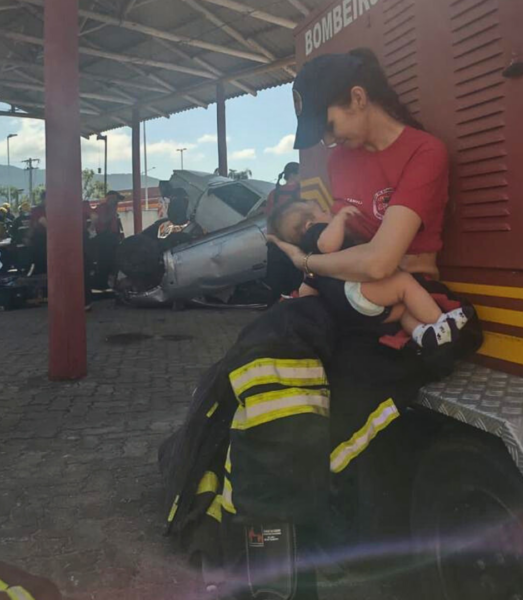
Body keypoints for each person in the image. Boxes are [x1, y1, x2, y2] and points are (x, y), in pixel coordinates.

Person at [160, 48, 483, 600]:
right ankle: (263, 558)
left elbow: (381, 262)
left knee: (317, 417)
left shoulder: (424, 154)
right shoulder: (340, 162)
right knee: (255, 376)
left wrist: (308, 264)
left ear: (359, 99)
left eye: (330, 126)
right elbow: (351, 253)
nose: (329, 142)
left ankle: (274, 566)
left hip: (393, 310)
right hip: (341, 300)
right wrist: (313, 281)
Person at [268, 200, 471, 350]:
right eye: (322, 211)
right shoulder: (317, 234)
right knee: (404, 283)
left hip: (355, 311)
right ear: (310, 226)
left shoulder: (312, 262)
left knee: (404, 309)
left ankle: (422, 332)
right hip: (354, 292)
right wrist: (340, 218)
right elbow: (327, 245)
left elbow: (307, 291)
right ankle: (441, 322)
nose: (328, 212)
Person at [264, 162, 304, 301]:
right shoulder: (302, 192)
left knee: (276, 284)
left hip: (276, 243)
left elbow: (269, 218)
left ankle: (274, 313)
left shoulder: (274, 194)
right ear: (293, 175)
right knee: (295, 285)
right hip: (296, 243)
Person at [91, 190, 124, 289]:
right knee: (105, 263)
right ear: (111, 198)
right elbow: (103, 220)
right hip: (105, 239)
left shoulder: (112, 209)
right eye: (116, 200)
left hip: (113, 238)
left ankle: (110, 284)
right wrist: (112, 208)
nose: (117, 203)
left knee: (114, 263)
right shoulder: (102, 208)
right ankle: (102, 286)